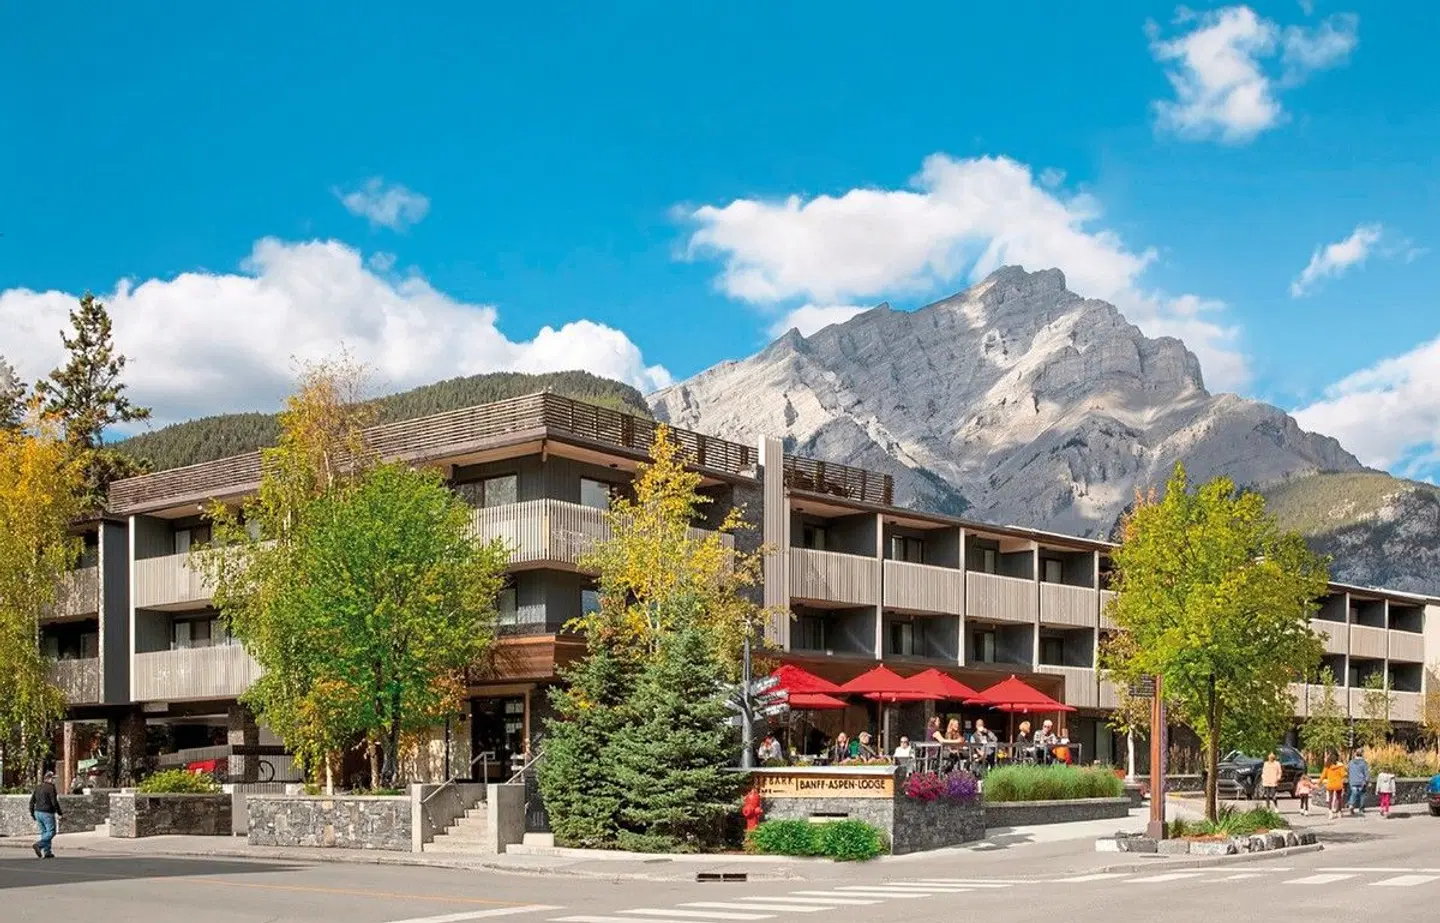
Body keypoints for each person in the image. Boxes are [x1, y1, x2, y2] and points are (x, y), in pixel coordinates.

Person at [29, 770, 63, 859]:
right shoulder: (51, 788)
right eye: (53, 778)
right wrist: (59, 813)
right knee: (51, 832)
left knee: (44, 832)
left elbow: (32, 801)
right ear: (49, 778)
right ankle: (39, 845)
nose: (54, 780)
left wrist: (32, 813)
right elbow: (54, 802)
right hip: (47, 813)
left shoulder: (38, 787)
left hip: (38, 812)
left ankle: (47, 852)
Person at [1321, 755, 1347, 819]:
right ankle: (1339, 812)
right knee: (1339, 798)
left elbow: (1323, 776)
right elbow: (1343, 775)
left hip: (1330, 784)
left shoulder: (1327, 766)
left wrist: (1318, 783)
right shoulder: (1340, 766)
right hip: (1338, 784)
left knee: (1330, 798)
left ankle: (1330, 813)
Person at [1346, 749, 1370, 817]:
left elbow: (1348, 771)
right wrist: (1367, 780)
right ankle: (1361, 809)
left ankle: (1351, 805)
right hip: (1361, 781)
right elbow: (1366, 773)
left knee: (1353, 794)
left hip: (1353, 781)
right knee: (1362, 795)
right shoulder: (1364, 763)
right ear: (1362, 754)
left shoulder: (1351, 762)